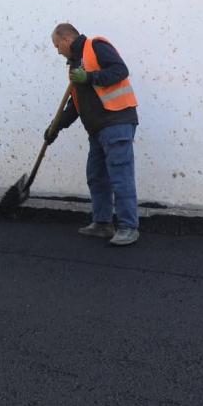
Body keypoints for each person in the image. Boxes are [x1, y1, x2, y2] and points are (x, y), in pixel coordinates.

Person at [45, 23, 141, 246]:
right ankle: (102, 224)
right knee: (96, 176)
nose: (57, 51)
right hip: (97, 129)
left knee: (120, 176)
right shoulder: (76, 66)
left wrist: (89, 77)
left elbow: (120, 70)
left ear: (67, 40)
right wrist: (54, 128)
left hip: (116, 121)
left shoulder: (95, 45)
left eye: (57, 45)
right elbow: (75, 105)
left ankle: (128, 227)